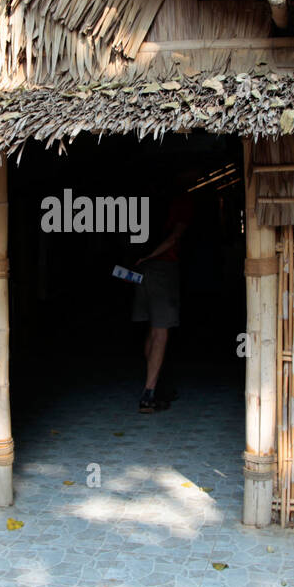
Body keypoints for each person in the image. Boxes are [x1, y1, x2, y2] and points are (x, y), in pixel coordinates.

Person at [132, 169, 195, 412]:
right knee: (161, 332)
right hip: (161, 268)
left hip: (142, 269)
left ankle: (155, 387)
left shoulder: (145, 199)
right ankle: (149, 393)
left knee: (152, 329)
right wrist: (151, 255)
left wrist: (140, 259)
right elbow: (174, 238)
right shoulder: (183, 200)